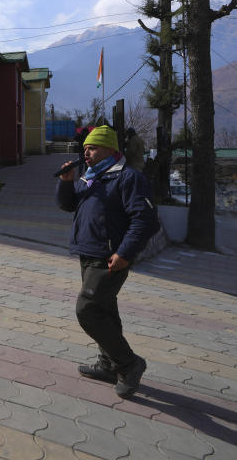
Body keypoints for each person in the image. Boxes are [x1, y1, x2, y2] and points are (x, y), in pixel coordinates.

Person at [56, 125, 159, 398]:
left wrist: (125, 253)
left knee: (87, 310)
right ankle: (108, 364)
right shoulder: (90, 177)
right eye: (85, 148)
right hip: (89, 253)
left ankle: (129, 364)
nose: (86, 152)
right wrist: (67, 181)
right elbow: (68, 205)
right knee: (104, 311)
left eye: (92, 148)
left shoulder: (127, 178)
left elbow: (145, 220)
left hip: (110, 258)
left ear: (111, 150)